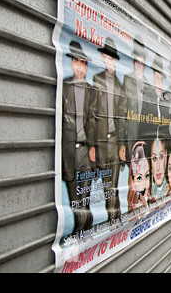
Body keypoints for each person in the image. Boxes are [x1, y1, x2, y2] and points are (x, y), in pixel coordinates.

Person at [92, 37, 127, 224]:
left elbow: (122, 120)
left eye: (112, 59)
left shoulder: (120, 87)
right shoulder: (96, 80)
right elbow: (92, 114)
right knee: (107, 188)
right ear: (103, 59)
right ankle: (115, 220)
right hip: (100, 142)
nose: (109, 62)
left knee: (111, 187)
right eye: (106, 58)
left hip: (114, 142)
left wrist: (122, 145)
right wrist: (92, 145)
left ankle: (115, 220)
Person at [62, 41, 95, 234]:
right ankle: (81, 229)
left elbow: (94, 121)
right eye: (77, 63)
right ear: (73, 64)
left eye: (84, 63)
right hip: (68, 151)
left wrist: (93, 148)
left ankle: (83, 230)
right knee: (75, 197)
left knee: (85, 196)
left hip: (85, 150)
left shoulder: (91, 90)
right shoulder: (65, 88)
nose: (81, 67)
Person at [123, 35, 149, 163]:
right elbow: (123, 108)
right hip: (131, 131)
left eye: (141, 62)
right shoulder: (128, 79)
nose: (139, 65)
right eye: (136, 61)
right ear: (134, 63)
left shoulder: (148, 84)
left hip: (144, 131)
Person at [127, 141, 152, 212]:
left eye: (147, 176)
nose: (144, 185)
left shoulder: (151, 197)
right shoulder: (133, 202)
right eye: (139, 178)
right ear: (132, 179)